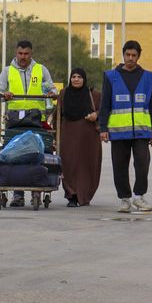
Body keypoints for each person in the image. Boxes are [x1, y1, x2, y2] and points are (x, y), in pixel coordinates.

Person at [0, 40, 57, 207]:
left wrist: (52, 93)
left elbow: (53, 90)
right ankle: (17, 195)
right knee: (15, 155)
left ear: (31, 54)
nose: (23, 57)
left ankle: (37, 190)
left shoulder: (41, 70)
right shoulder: (7, 71)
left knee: (37, 154)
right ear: (16, 53)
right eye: (20, 53)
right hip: (15, 123)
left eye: (26, 54)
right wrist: (3, 94)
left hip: (37, 123)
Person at [98, 40, 152, 213]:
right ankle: (125, 199)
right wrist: (103, 128)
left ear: (138, 56)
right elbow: (105, 104)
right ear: (123, 55)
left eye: (134, 55)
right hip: (117, 132)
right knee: (119, 166)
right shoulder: (111, 77)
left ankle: (139, 197)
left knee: (142, 162)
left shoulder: (148, 78)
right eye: (128, 55)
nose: (130, 58)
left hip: (141, 131)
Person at [58, 68, 102, 207]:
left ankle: (84, 195)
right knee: (68, 164)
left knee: (87, 165)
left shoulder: (94, 95)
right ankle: (71, 195)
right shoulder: (64, 94)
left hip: (88, 139)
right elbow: (57, 115)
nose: (76, 79)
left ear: (84, 79)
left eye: (79, 77)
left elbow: (105, 111)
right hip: (68, 136)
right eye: (73, 77)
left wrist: (96, 115)